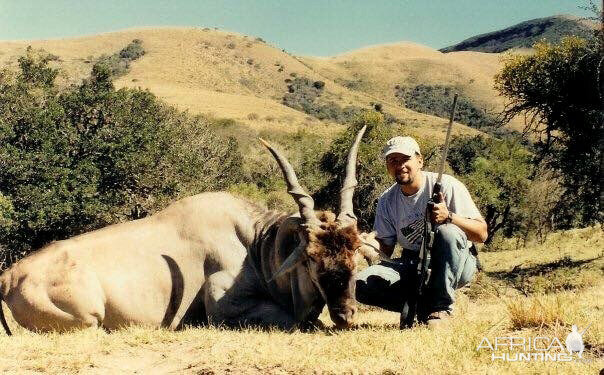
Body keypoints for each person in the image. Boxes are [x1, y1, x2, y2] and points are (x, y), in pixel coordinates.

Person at [355, 136, 488, 327]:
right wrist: (366, 245)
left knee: (448, 233)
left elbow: (482, 234)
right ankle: (423, 307)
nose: (399, 165)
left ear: (420, 160)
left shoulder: (448, 186)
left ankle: (441, 309)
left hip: (456, 261)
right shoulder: (386, 199)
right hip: (412, 263)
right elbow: (385, 246)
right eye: (393, 160)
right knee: (360, 284)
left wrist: (449, 217)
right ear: (387, 166)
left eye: (405, 159)